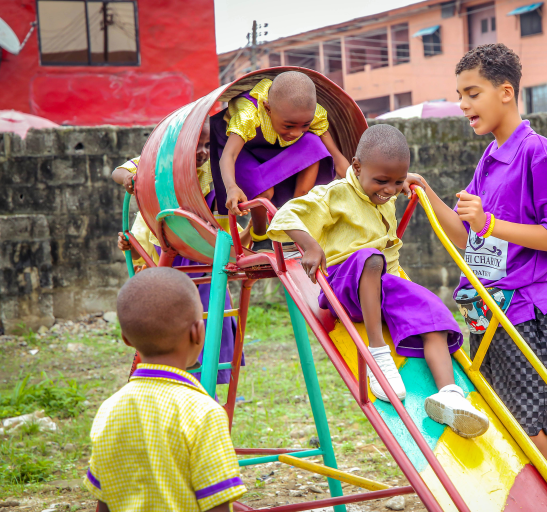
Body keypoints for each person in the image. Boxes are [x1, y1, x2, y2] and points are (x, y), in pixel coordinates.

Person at [404, 43, 547, 467]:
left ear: (505, 92)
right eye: (459, 95)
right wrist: (426, 191)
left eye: (472, 93)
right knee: (502, 415)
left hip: (522, 309)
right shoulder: (490, 157)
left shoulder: (536, 151)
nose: (463, 105)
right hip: (485, 307)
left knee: (526, 420)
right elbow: (468, 238)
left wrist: (489, 224)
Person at [267, 124, 489, 439]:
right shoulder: (334, 194)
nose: (389, 190)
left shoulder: (385, 191)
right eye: (382, 181)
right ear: (356, 167)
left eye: (397, 182)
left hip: (383, 284)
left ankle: (449, 395)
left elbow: (395, 180)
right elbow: (286, 215)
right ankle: (377, 354)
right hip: (345, 285)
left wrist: (404, 181)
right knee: (370, 258)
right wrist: (311, 245)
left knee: (432, 309)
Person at [83, 267, 247, 512]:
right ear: (197, 332)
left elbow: (103, 503)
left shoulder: (109, 410)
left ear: (126, 339)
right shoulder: (205, 413)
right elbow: (217, 505)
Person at [113, 118, 247, 384]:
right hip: (167, 254)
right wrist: (129, 178)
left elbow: (233, 234)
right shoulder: (157, 165)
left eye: (208, 145)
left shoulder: (212, 171)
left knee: (212, 321)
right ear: (177, 144)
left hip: (204, 252)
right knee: (168, 323)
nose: (203, 152)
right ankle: (173, 374)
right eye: (198, 144)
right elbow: (119, 171)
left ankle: (208, 384)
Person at [211, 71, 350, 250]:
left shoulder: (312, 115)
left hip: (274, 148)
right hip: (239, 150)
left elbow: (336, 157)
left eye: (305, 125)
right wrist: (231, 187)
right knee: (264, 191)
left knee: (314, 143)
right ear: (268, 109)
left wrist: (357, 187)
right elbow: (229, 156)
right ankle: (260, 235)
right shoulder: (249, 114)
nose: (296, 133)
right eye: (289, 125)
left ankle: (297, 214)